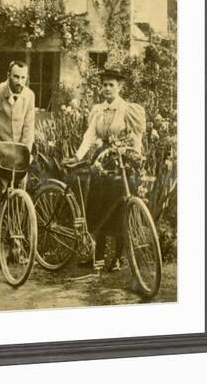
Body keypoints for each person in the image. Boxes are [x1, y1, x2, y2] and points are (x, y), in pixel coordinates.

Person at [67, 66, 146, 270]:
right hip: (103, 163)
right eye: (104, 85)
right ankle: (98, 257)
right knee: (99, 209)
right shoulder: (98, 110)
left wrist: (136, 158)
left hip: (123, 164)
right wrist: (77, 156)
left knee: (120, 209)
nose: (107, 89)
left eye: (111, 85)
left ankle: (117, 259)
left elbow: (136, 138)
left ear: (119, 87)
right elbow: (89, 136)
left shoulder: (128, 110)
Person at [0, 60, 36, 262]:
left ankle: (17, 249)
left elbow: (29, 128)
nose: (20, 81)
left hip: (19, 154)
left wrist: (27, 153)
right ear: (8, 75)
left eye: (23, 77)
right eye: (16, 76)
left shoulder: (29, 96)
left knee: (19, 199)